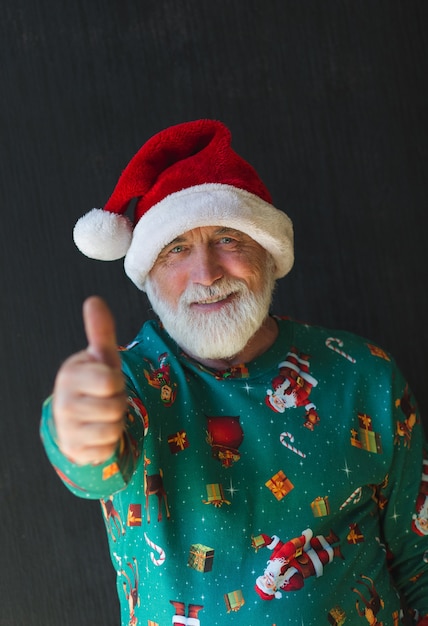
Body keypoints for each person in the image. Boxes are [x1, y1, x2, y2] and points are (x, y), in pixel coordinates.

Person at [40, 119, 428, 626]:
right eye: (177, 248)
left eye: (227, 238)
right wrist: (76, 421)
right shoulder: (130, 382)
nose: (206, 273)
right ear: (148, 271)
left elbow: (419, 560)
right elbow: (93, 464)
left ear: (268, 253)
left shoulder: (364, 375)